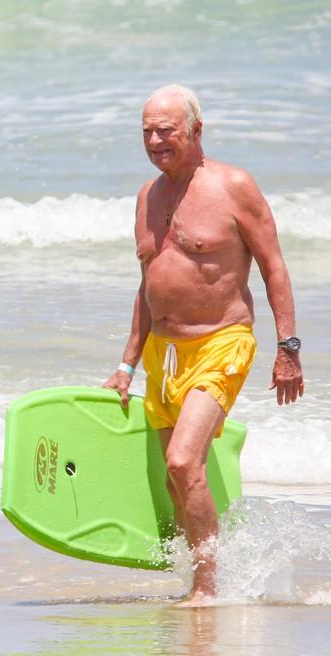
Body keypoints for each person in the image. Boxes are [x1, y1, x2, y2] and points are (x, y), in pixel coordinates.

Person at [102, 85, 303, 606]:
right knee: (175, 478)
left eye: (165, 130)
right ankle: (211, 568)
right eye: (146, 131)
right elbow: (148, 285)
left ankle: (207, 588)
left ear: (195, 130)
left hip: (222, 342)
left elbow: (273, 266)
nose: (154, 140)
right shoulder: (147, 196)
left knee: (181, 461)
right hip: (163, 355)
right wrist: (126, 363)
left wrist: (289, 347)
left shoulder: (234, 186)